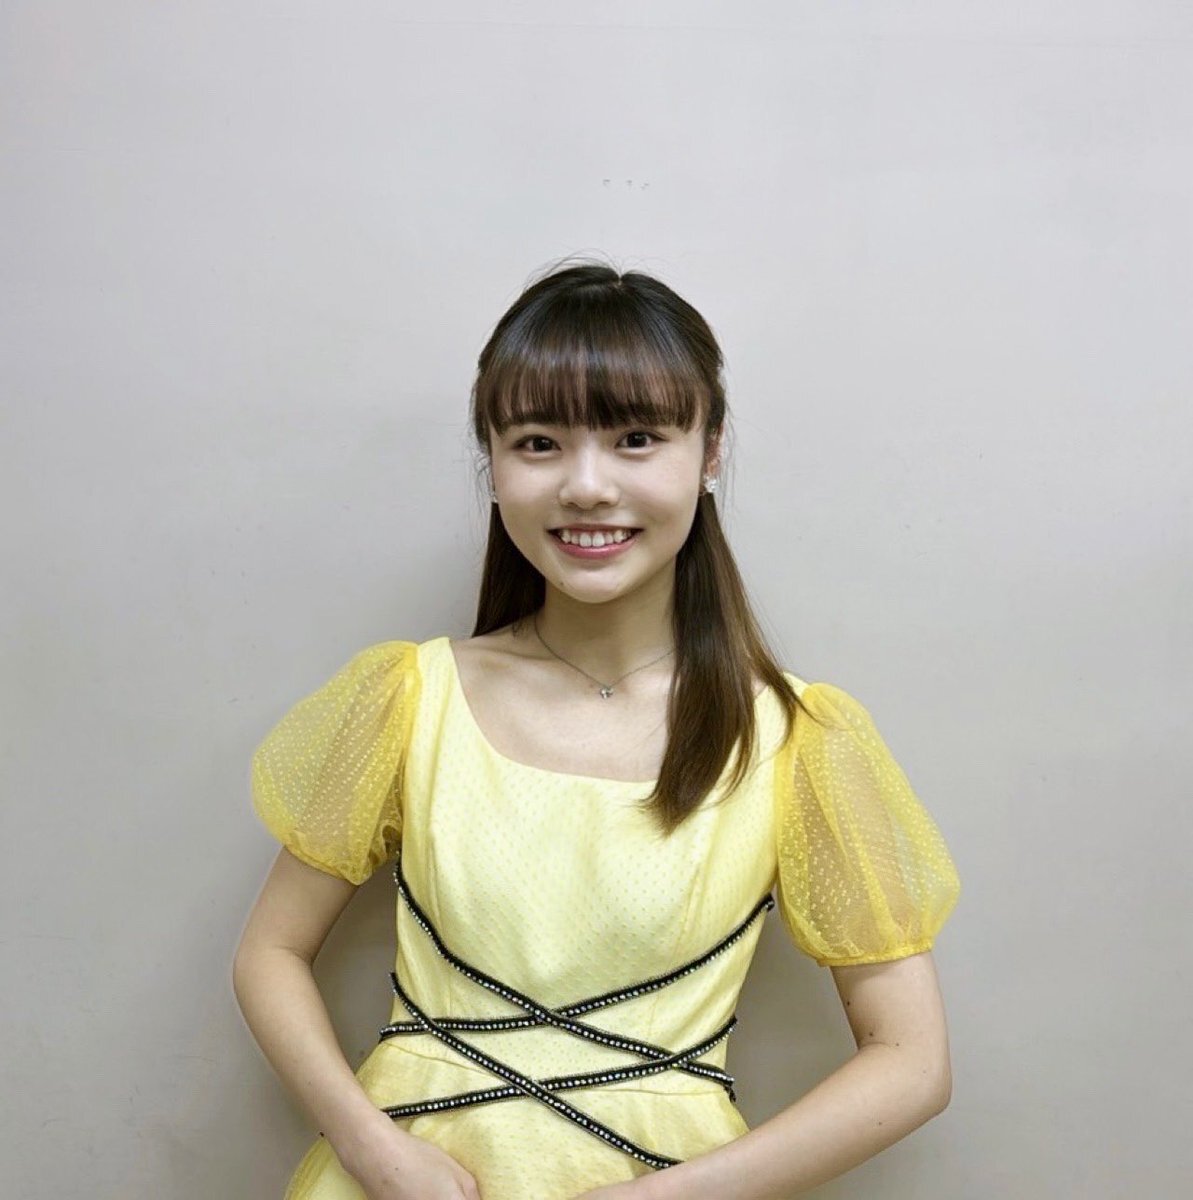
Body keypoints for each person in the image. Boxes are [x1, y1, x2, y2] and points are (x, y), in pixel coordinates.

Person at [232, 259, 962, 1200]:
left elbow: (911, 1060)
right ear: (492, 463)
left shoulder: (794, 739)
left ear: (709, 453)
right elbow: (268, 953)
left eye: (635, 439)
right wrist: (376, 1151)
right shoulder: (409, 698)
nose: (585, 486)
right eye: (538, 442)